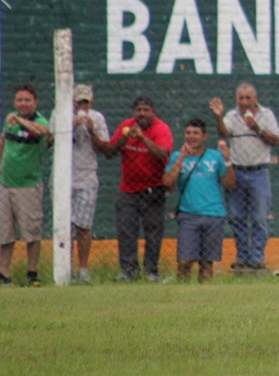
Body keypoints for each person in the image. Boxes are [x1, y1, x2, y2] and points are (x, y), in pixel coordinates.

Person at [210, 84, 279, 271]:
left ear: (255, 99)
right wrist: (218, 116)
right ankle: (242, 257)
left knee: (260, 217)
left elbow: (276, 140)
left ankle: (257, 258)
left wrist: (257, 128)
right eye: (241, 98)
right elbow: (223, 132)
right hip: (237, 171)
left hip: (259, 172)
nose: (244, 102)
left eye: (248, 98)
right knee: (236, 217)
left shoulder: (266, 115)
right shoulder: (232, 116)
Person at [108, 95, 174, 282]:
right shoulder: (126, 126)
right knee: (126, 231)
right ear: (133, 112)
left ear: (153, 112)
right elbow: (110, 152)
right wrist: (123, 138)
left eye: (146, 110)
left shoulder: (161, 129)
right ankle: (129, 272)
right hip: (128, 190)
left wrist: (143, 137)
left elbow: (163, 154)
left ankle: (151, 272)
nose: (142, 114)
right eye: (138, 110)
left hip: (153, 190)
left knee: (153, 233)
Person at [163, 119, 235, 283]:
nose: (191, 136)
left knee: (206, 263)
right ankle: (182, 293)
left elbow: (230, 184)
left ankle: (204, 294)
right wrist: (181, 158)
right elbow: (167, 182)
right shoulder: (177, 156)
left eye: (196, 133)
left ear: (204, 136)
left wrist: (228, 161)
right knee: (184, 261)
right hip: (188, 215)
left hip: (213, 214)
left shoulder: (215, 157)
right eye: (188, 133)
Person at [57, 84, 110, 283]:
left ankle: (83, 270)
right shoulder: (59, 115)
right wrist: (70, 125)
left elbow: (105, 149)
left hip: (86, 178)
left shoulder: (97, 118)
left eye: (85, 102)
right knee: (63, 227)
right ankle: (64, 269)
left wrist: (91, 130)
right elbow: (50, 141)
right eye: (78, 102)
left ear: (91, 102)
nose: (82, 106)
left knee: (84, 226)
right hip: (62, 180)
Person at [0, 84, 51, 286]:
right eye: (19, 100)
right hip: (5, 183)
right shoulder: (9, 121)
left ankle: (32, 273)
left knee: (31, 232)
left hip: (28, 184)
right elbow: (4, 141)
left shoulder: (39, 120)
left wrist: (20, 120)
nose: (23, 104)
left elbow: (42, 131)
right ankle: (4, 274)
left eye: (27, 100)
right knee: (4, 233)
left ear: (35, 102)